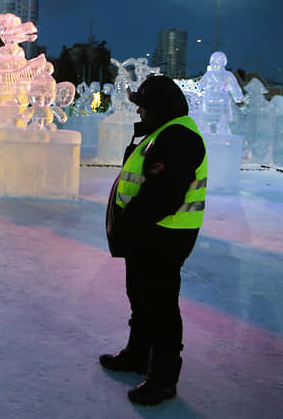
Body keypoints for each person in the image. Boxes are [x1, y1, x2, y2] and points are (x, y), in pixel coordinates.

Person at [102, 75, 208, 406]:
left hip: (163, 236)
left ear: (160, 108)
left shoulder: (178, 137)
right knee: (141, 297)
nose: (140, 113)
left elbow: (162, 195)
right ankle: (137, 356)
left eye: (144, 107)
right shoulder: (163, 133)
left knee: (160, 305)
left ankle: (163, 379)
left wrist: (129, 226)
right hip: (148, 235)